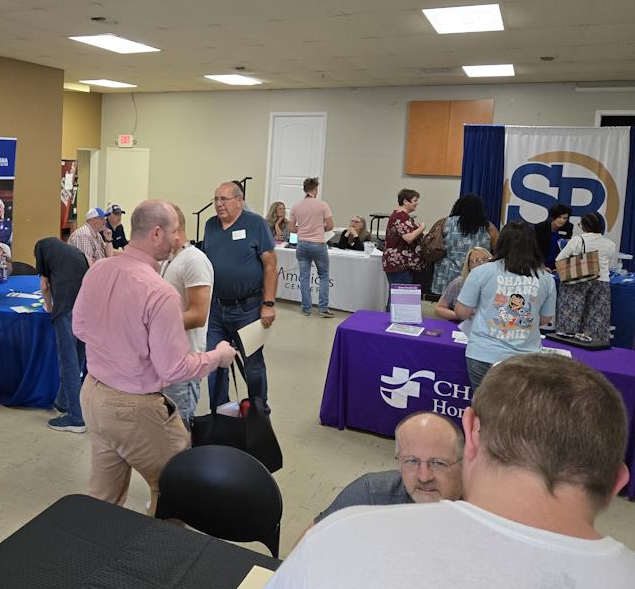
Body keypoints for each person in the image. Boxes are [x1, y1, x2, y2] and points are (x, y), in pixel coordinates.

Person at [267, 354, 635, 587]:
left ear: (471, 434)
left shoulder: (343, 536)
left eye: (438, 463)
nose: (424, 475)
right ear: (618, 481)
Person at [72, 200, 237, 514]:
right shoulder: (160, 292)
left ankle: (90, 552)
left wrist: (119, 341)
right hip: (135, 409)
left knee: (102, 497)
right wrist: (217, 357)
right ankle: (162, 559)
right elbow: (173, 367)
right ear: (158, 233)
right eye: (175, 232)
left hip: (94, 397)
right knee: (179, 489)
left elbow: (79, 326)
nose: (178, 239)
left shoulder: (100, 270)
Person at [202, 181, 277, 411]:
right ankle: (220, 412)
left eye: (224, 199)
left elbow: (271, 264)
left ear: (239, 201)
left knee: (252, 363)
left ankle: (258, 409)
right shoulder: (210, 225)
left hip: (248, 308)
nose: (218, 204)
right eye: (215, 199)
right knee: (215, 363)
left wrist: (268, 303)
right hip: (215, 308)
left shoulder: (256, 224)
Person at [454, 221, 556, 390]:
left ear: (501, 242)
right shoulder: (546, 279)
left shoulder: (481, 272)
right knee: (517, 412)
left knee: (484, 409)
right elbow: (545, 319)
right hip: (527, 357)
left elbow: (462, 312)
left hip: (483, 353)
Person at [312, 412, 464, 525]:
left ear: (463, 464)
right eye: (411, 461)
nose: (424, 477)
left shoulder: (482, 510)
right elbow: (310, 542)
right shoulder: (370, 496)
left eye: (438, 463)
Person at [160, 204, 214, 426]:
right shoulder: (168, 259)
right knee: (164, 429)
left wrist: (152, 323)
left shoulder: (194, 260)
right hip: (165, 360)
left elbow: (198, 315)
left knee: (179, 430)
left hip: (184, 362)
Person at [34, 237, 89, 433]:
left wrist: (49, 307)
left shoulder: (41, 248)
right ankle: (63, 402)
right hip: (85, 309)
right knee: (78, 359)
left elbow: (44, 286)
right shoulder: (75, 253)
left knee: (68, 363)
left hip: (65, 308)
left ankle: (76, 418)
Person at [555, 212, 617, 341]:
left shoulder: (578, 240)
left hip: (578, 278)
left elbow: (560, 259)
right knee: (597, 317)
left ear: (584, 226)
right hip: (602, 281)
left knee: (571, 313)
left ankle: (568, 337)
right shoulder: (610, 244)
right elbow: (610, 264)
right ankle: (593, 341)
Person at [430, 194, 499, 296]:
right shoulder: (488, 227)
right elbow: (497, 248)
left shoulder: (444, 223)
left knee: (444, 305)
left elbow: (432, 244)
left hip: (447, 273)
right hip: (476, 273)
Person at [288, 178, 334, 318]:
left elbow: (290, 228)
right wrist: (318, 229)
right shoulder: (322, 205)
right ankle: (322, 308)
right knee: (324, 276)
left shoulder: (296, 206)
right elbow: (331, 226)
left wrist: (303, 230)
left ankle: (306, 308)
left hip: (302, 244)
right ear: (315, 189)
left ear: (304, 189)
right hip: (318, 243)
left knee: (304, 277)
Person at [382, 188, 425, 298]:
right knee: (400, 298)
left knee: (398, 297)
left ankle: (392, 315)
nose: (417, 203)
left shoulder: (402, 216)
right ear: (405, 201)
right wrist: (422, 228)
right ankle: (393, 316)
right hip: (400, 264)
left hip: (401, 263)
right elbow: (409, 238)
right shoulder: (400, 216)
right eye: (414, 200)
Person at [434, 247, 491, 322]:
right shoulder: (458, 284)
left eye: (485, 259)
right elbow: (439, 309)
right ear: (468, 265)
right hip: (461, 328)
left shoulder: (498, 284)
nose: (481, 263)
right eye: (475, 260)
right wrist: (462, 315)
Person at [534, 203, 573, 269]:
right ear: (552, 217)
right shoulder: (540, 228)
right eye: (559, 217)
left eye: (565, 218)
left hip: (558, 266)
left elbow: (566, 248)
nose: (562, 220)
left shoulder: (568, 228)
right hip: (540, 265)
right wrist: (540, 265)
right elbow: (535, 249)